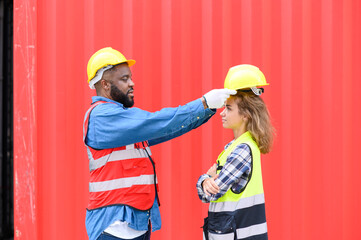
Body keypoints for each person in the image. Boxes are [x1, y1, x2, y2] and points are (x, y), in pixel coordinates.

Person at [83, 47, 236, 240]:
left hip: (132, 225)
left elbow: (169, 128)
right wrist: (203, 103)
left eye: (130, 77)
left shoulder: (123, 123)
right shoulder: (102, 116)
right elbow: (156, 122)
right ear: (105, 84)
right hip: (113, 227)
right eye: (124, 79)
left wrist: (207, 109)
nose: (132, 83)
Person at [196, 64, 274, 240]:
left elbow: (210, 193)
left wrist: (203, 181)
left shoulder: (241, 151)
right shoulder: (236, 146)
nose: (222, 113)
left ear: (246, 114)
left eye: (229, 108)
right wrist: (206, 180)